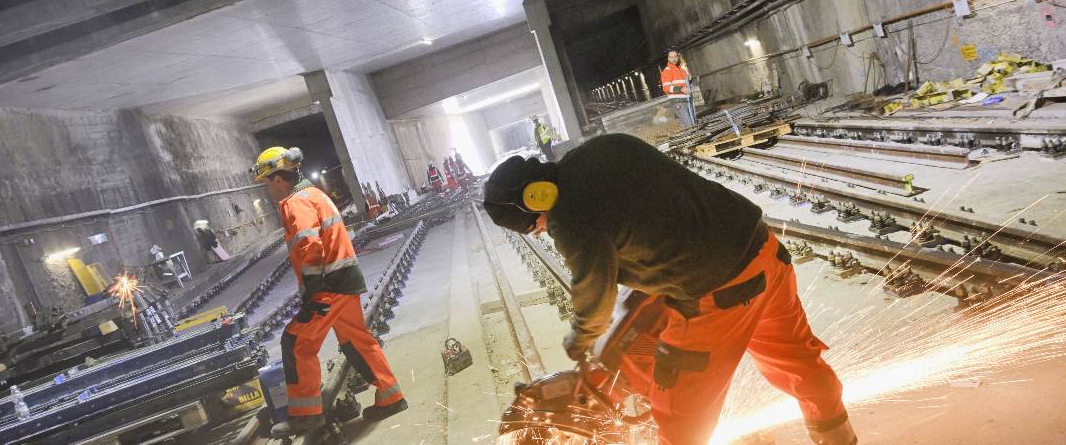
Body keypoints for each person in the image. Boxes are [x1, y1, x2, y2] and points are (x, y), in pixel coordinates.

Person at [481, 134, 855, 445]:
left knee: (678, 418)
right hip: (764, 253)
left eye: (537, 226)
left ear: (537, 200)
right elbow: (656, 218)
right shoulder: (600, 149)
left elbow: (594, 293)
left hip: (717, 292)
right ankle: (838, 437)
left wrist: (581, 340)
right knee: (799, 364)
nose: (545, 230)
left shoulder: (570, 216)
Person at [250, 146, 407, 436]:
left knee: (296, 343)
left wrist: (312, 291)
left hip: (328, 285)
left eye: (266, 183)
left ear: (277, 179)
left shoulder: (295, 201)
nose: (268, 190)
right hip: (345, 279)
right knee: (357, 341)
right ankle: (391, 395)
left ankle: (305, 415)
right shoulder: (316, 194)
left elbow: (309, 244)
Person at [660, 50, 699, 128]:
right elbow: (666, 87)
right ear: (668, 58)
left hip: (687, 100)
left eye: (675, 57)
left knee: (691, 123)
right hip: (678, 102)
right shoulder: (667, 71)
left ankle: (689, 138)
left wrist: (689, 78)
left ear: (677, 57)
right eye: (671, 57)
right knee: (689, 125)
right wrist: (681, 89)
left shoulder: (681, 69)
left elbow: (687, 83)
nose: (673, 59)